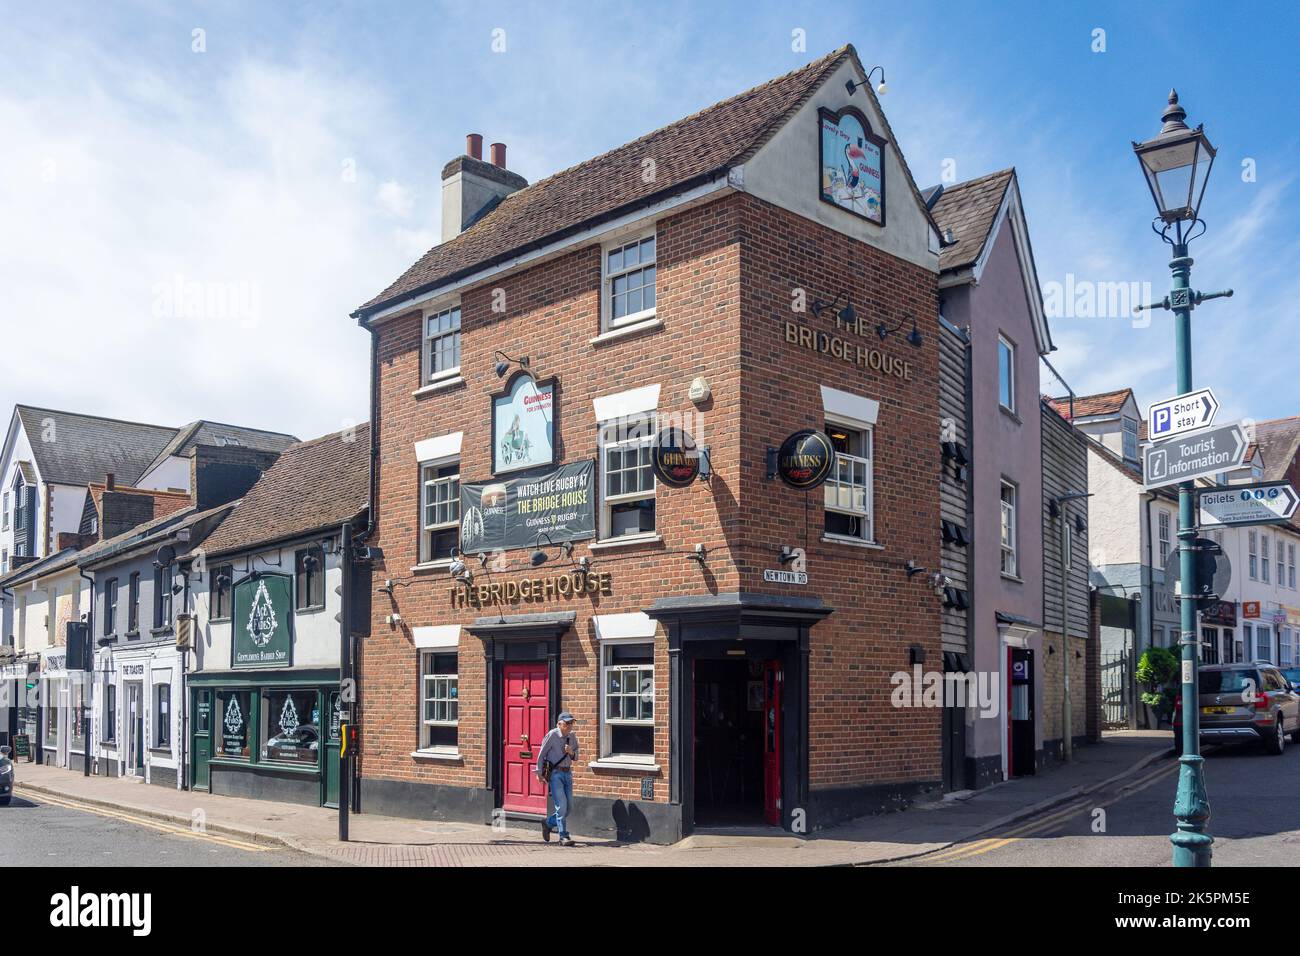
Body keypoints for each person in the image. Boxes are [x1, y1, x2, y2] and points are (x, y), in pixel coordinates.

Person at [536, 712, 578, 846]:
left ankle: (548, 823)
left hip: (568, 774)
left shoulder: (572, 736)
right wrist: (539, 773)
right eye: (567, 723)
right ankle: (563, 836)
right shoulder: (552, 735)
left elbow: (576, 757)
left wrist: (571, 752)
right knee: (562, 806)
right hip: (555, 774)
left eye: (571, 723)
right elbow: (541, 754)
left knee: (569, 808)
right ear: (559, 724)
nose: (570, 726)